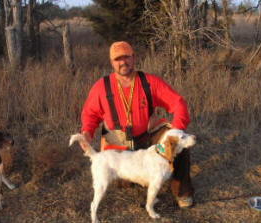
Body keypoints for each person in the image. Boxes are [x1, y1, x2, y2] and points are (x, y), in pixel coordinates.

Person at [80, 41, 193, 208]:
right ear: (112, 62)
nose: (123, 62)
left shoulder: (150, 82)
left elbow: (179, 104)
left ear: (133, 58)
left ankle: (182, 192)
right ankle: (137, 178)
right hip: (119, 144)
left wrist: (176, 130)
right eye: (118, 59)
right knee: (124, 183)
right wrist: (87, 133)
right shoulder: (101, 87)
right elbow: (90, 115)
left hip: (146, 137)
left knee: (180, 142)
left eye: (127, 57)